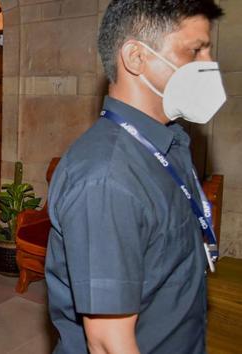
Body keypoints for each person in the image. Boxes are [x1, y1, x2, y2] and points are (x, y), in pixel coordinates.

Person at [45, 1, 225, 353]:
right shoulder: (107, 176)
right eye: (195, 51)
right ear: (136, 58)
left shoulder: (168, 142)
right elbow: (108, 343)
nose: (208, 66)